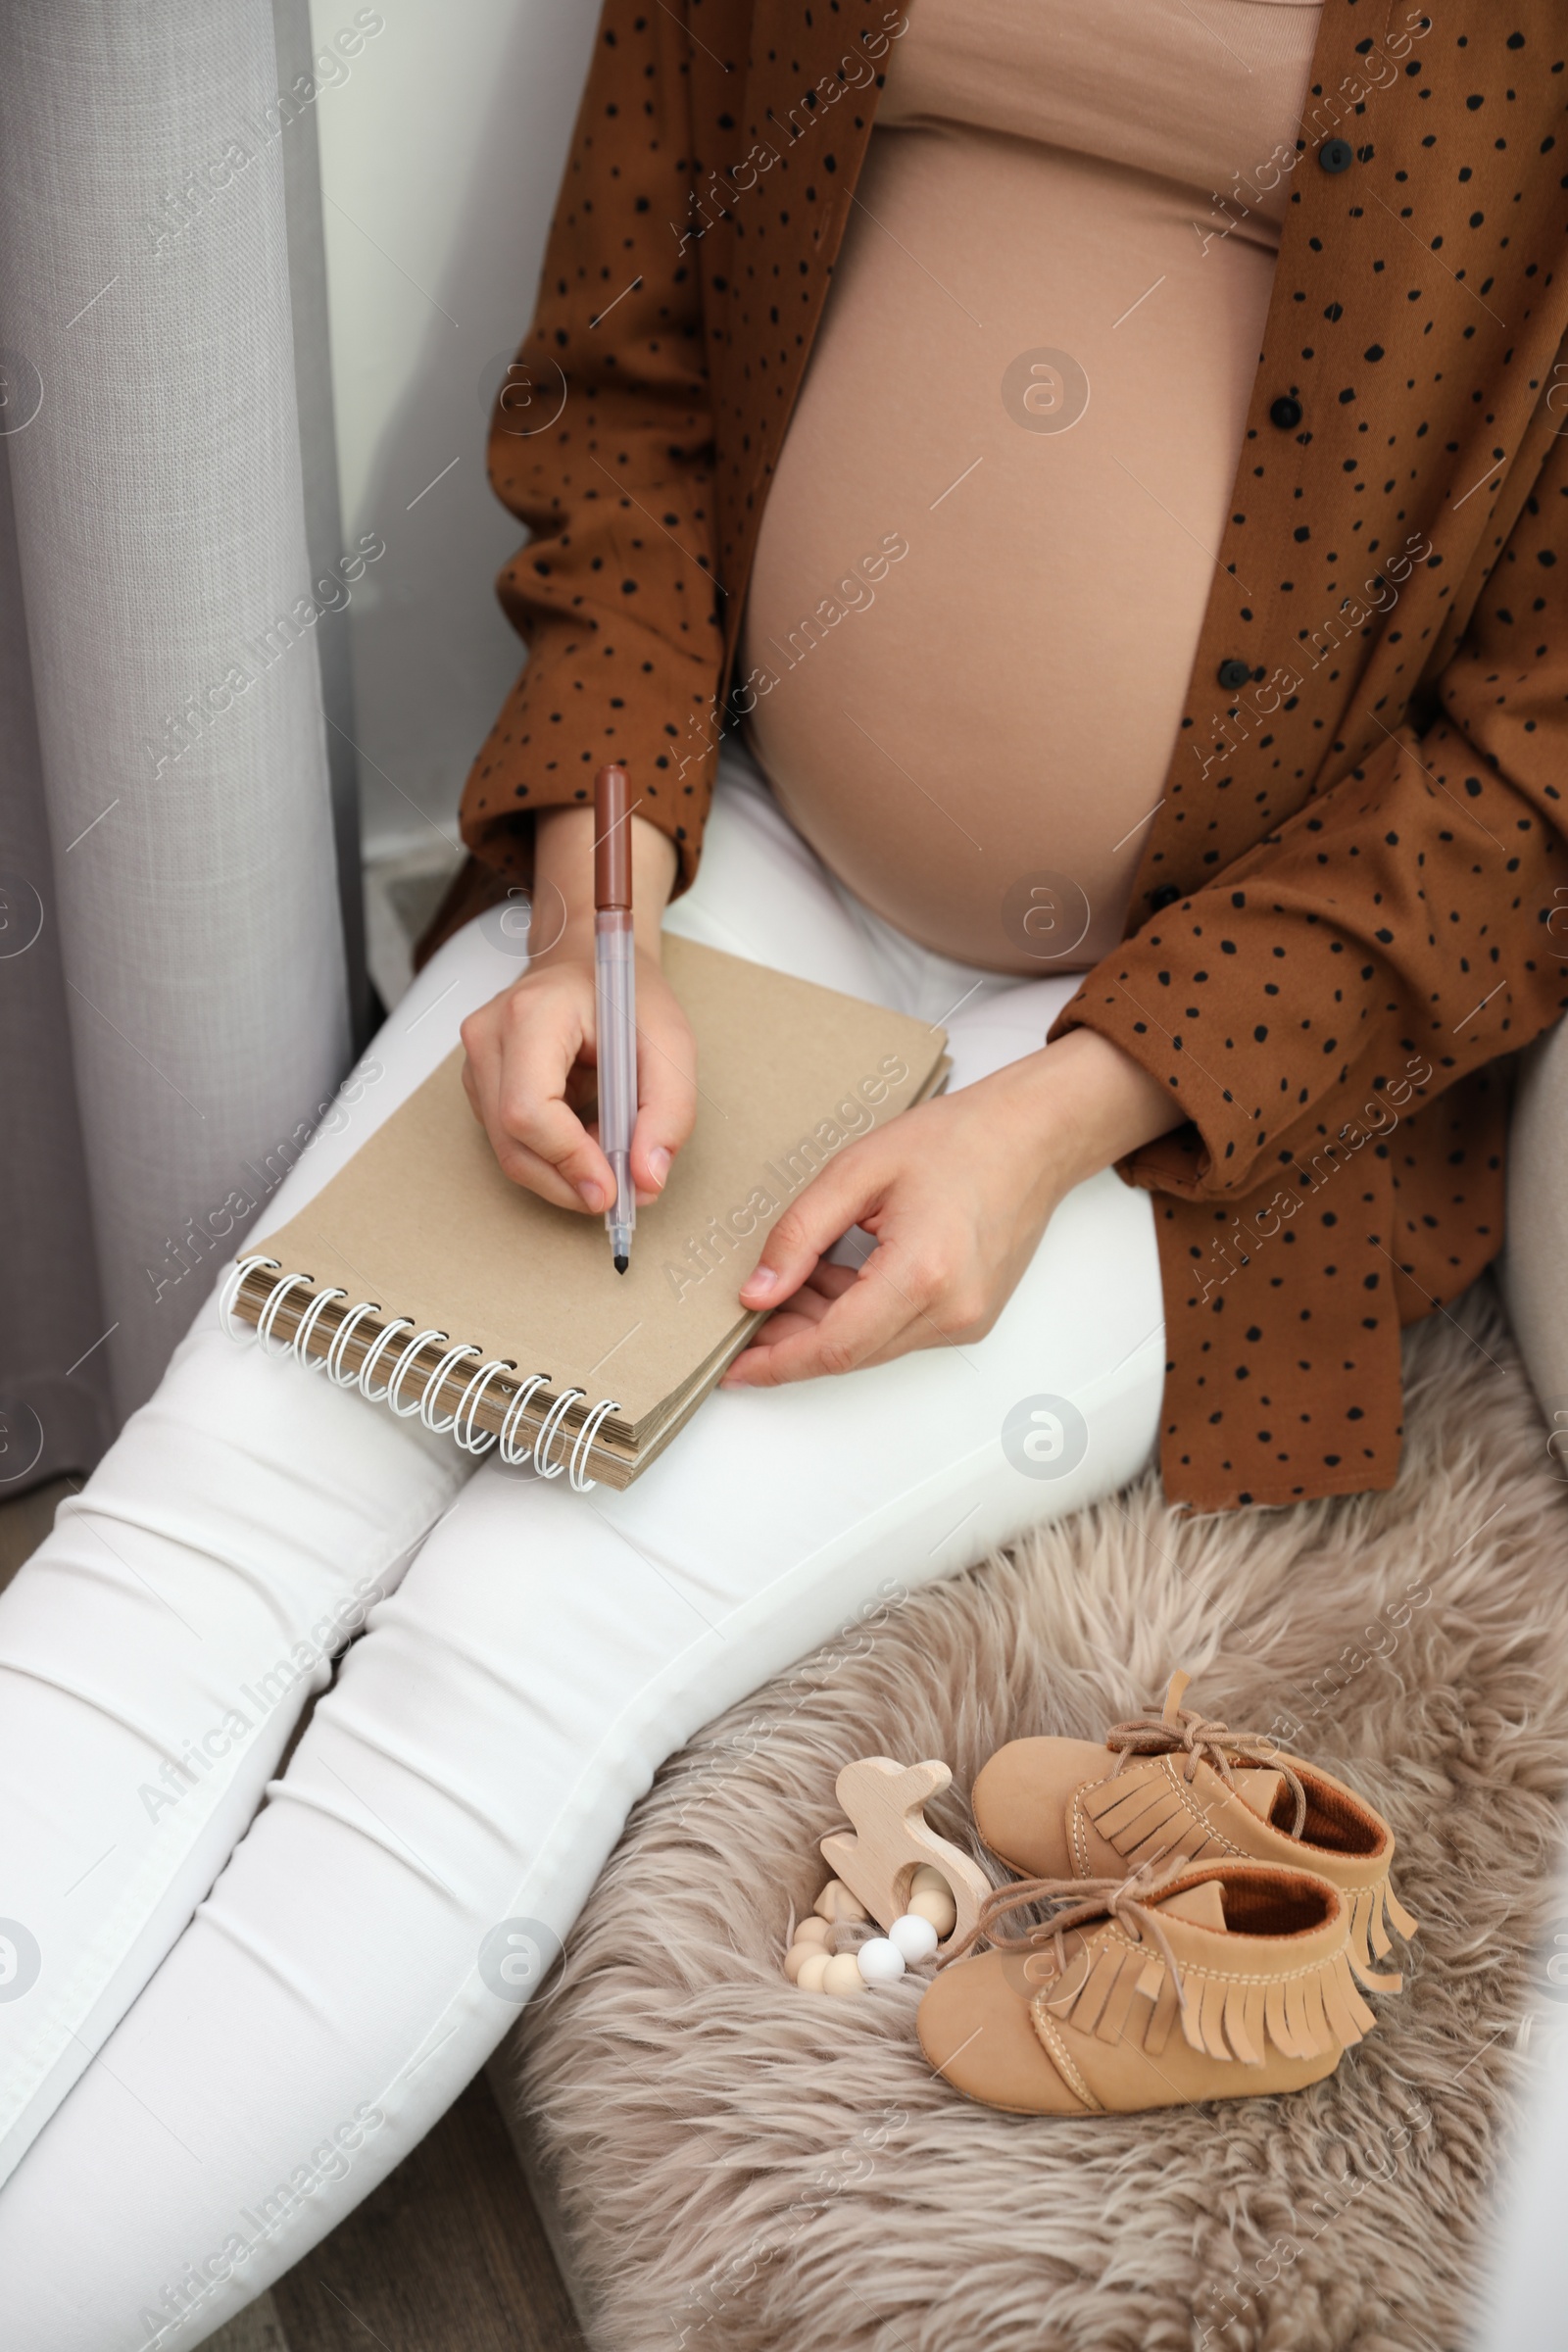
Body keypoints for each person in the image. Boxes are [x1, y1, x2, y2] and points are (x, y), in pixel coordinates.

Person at [3, 0, 1564, 2341]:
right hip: (730, 856)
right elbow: (622, 394)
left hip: (1196, 1062)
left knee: (500, 1669)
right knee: (195, 1521)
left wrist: (1040, 1126)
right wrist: (590, 915)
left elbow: (1532, 772)